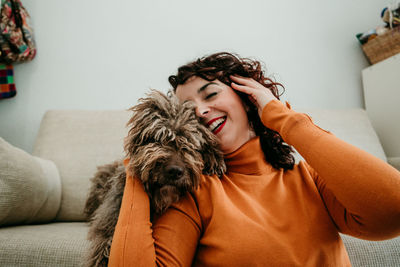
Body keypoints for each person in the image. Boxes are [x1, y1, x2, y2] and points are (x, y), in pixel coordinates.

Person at [108, 52, 400, 266]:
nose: (199, 111)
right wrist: (139, 158)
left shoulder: (308, 178)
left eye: (210, 94)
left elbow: (392, 209)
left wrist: (282, 117)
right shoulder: (196, 191)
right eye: (186, 108)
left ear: (247, 98)